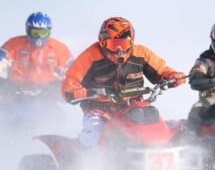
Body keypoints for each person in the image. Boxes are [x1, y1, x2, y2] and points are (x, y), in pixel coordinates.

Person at [61, 17, 186, 146]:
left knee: (157, 128)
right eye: (113, 45)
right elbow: (70, 82)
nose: (119, 50)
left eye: (124, 44)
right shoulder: (90, 56)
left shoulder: (141, 53)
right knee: (94, 134)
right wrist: (79, 92)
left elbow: (161, 70)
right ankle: (82, 162)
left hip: (133, 107)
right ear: (102, 42)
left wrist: (173, 76)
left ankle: (165, 159)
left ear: (132, 41)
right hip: (101, 109)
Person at [0, 12, 73, 92]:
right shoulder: (13, 44)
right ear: (28, 30)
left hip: (48, 94)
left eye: (43, 33)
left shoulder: (59, 49)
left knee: (65, 87)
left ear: (49, 32)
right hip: (15, 91)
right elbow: (2, 60)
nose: (39, 37)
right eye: (35, 33)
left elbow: (73, 70)